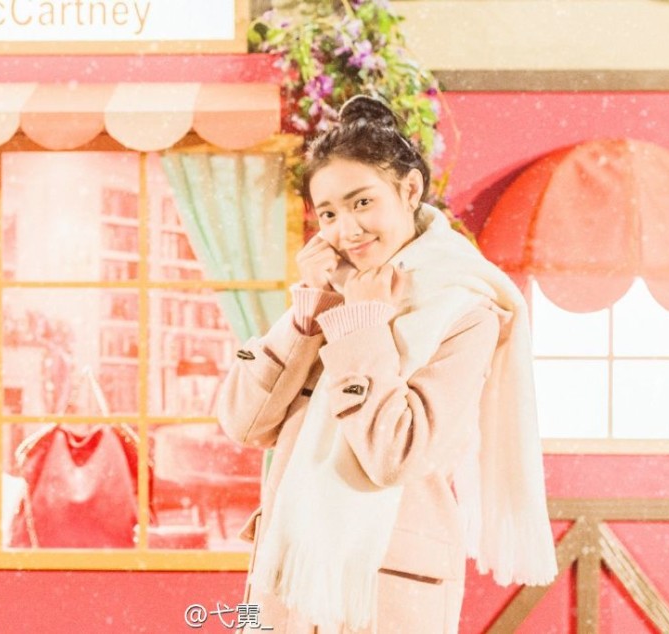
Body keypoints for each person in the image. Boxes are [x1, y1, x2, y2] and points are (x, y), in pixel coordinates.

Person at [216, 95, 557, 633]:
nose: (347, 229)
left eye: (362, 202)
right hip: (291, 579)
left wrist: (363, 325)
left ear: (410, 190)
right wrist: (307, 312)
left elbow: (395, 455)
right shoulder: (332, 293)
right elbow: (243, 422)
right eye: (329, 213)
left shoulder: (464, 309)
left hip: (385, 590)